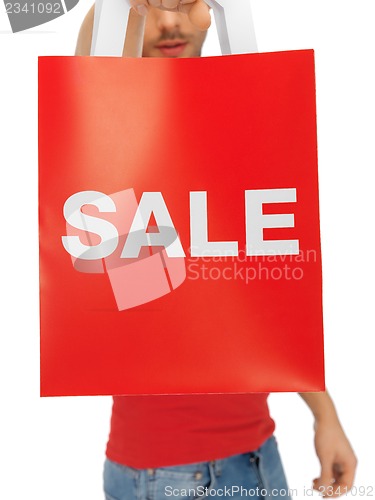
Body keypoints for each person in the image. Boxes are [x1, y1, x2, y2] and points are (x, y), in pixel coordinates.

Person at [75, 2, 357, 499]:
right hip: (176, 471)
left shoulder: (234, 126)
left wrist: (324, 413)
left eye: (185, 3)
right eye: (149, 5)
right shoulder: (114, 134)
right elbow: (146, 290)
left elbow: (259, 302)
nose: (168, 23)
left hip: (258, 449)